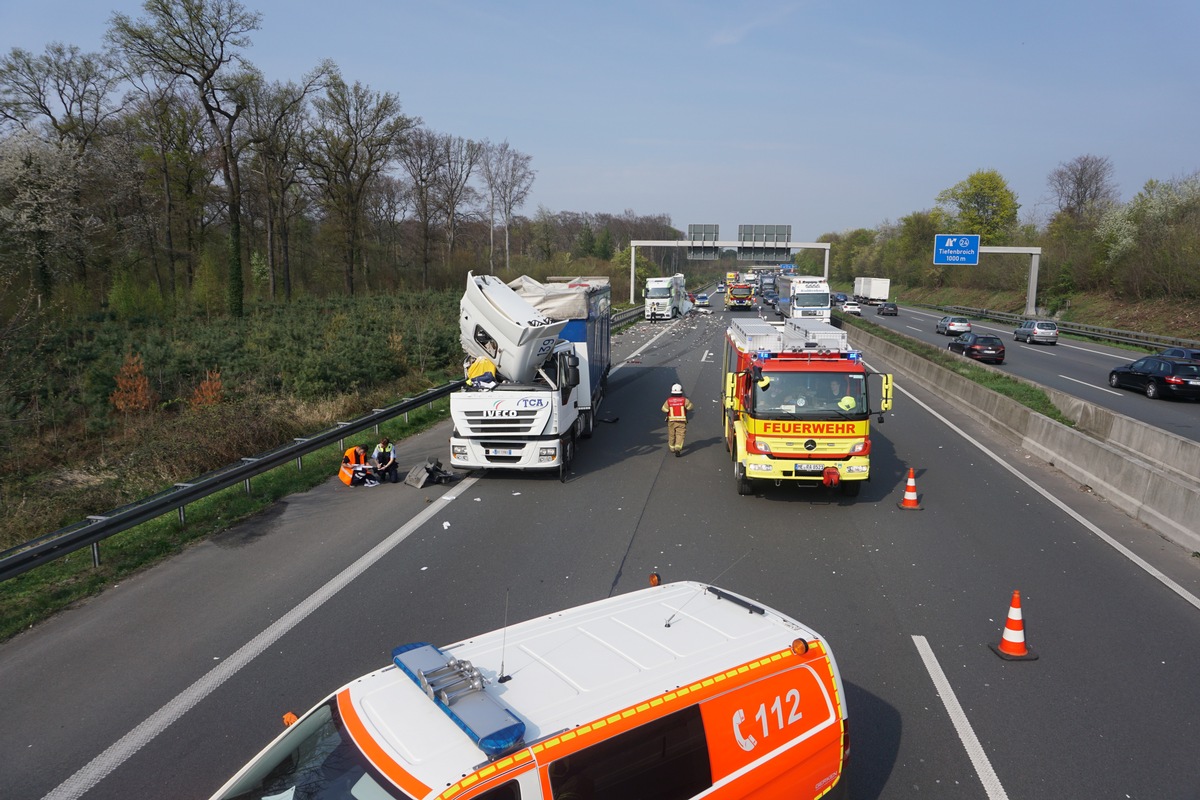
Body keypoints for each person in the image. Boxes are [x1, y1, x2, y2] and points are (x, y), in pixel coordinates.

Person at [661, 383, 694, 457]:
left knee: (672, 434)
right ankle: (678, 448)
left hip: (671, 421)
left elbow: (664, 409)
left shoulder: (669, 401)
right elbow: (690, 407)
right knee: (680, 434)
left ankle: (672, 448)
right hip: (681, 421)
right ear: (681, 391)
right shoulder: (684, 400)